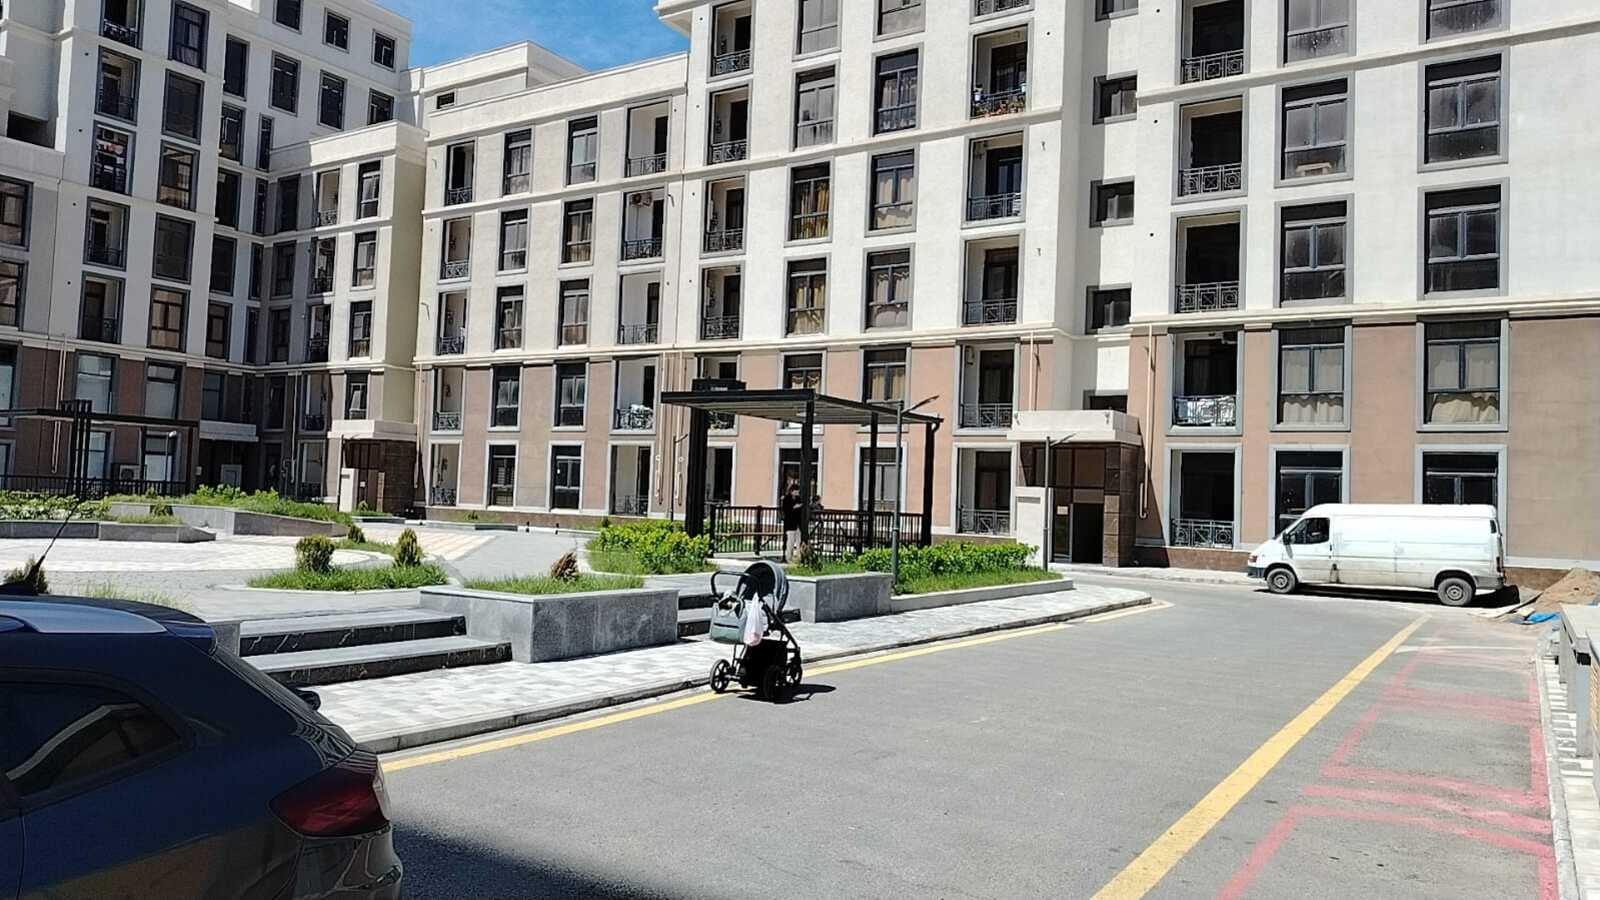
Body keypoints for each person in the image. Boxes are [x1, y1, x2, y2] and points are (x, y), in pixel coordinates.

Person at [780, 481, 804, 561]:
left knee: (798, 540)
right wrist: (794, 507)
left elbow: (801, 508)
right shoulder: (787, 499)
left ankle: (799, 557)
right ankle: (788, 557)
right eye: (796, 491)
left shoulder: (798, 498)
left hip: (797, 523)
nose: (797, 492)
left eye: (798, 491)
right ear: (792, 491)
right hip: (790, 523)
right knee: (790, 541)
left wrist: (799, 507)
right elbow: (786, 510)